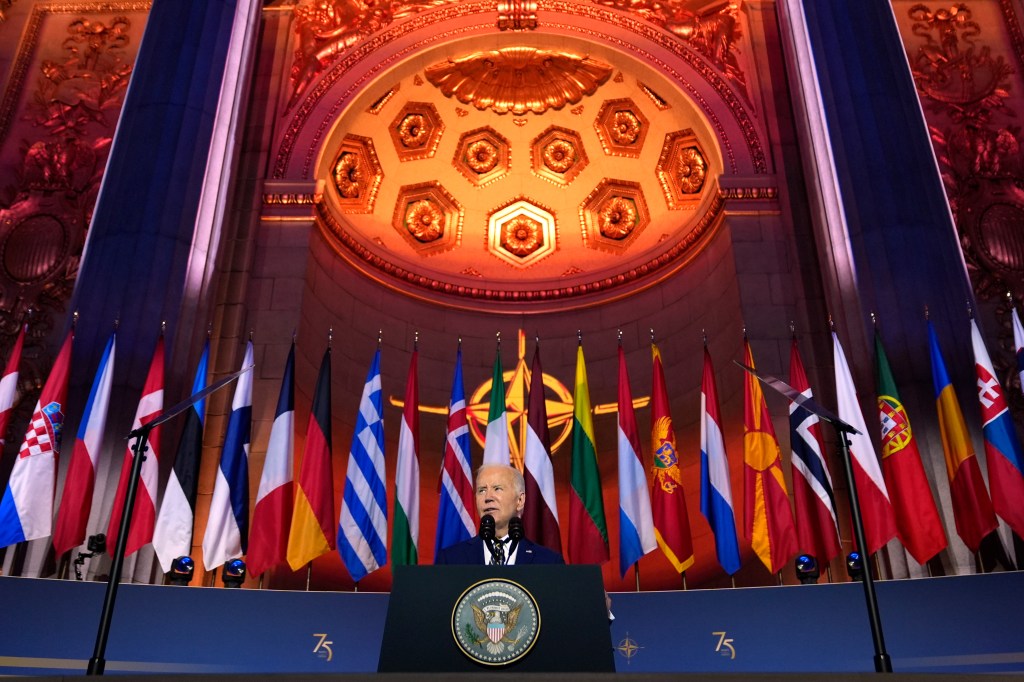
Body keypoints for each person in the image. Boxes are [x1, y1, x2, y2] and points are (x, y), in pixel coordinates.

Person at [436, 463, 564, 565]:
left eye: (497, 488)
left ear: (520, 500)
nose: (488, 497)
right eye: (481, 490)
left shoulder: (548, 562)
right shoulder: (450, 560)